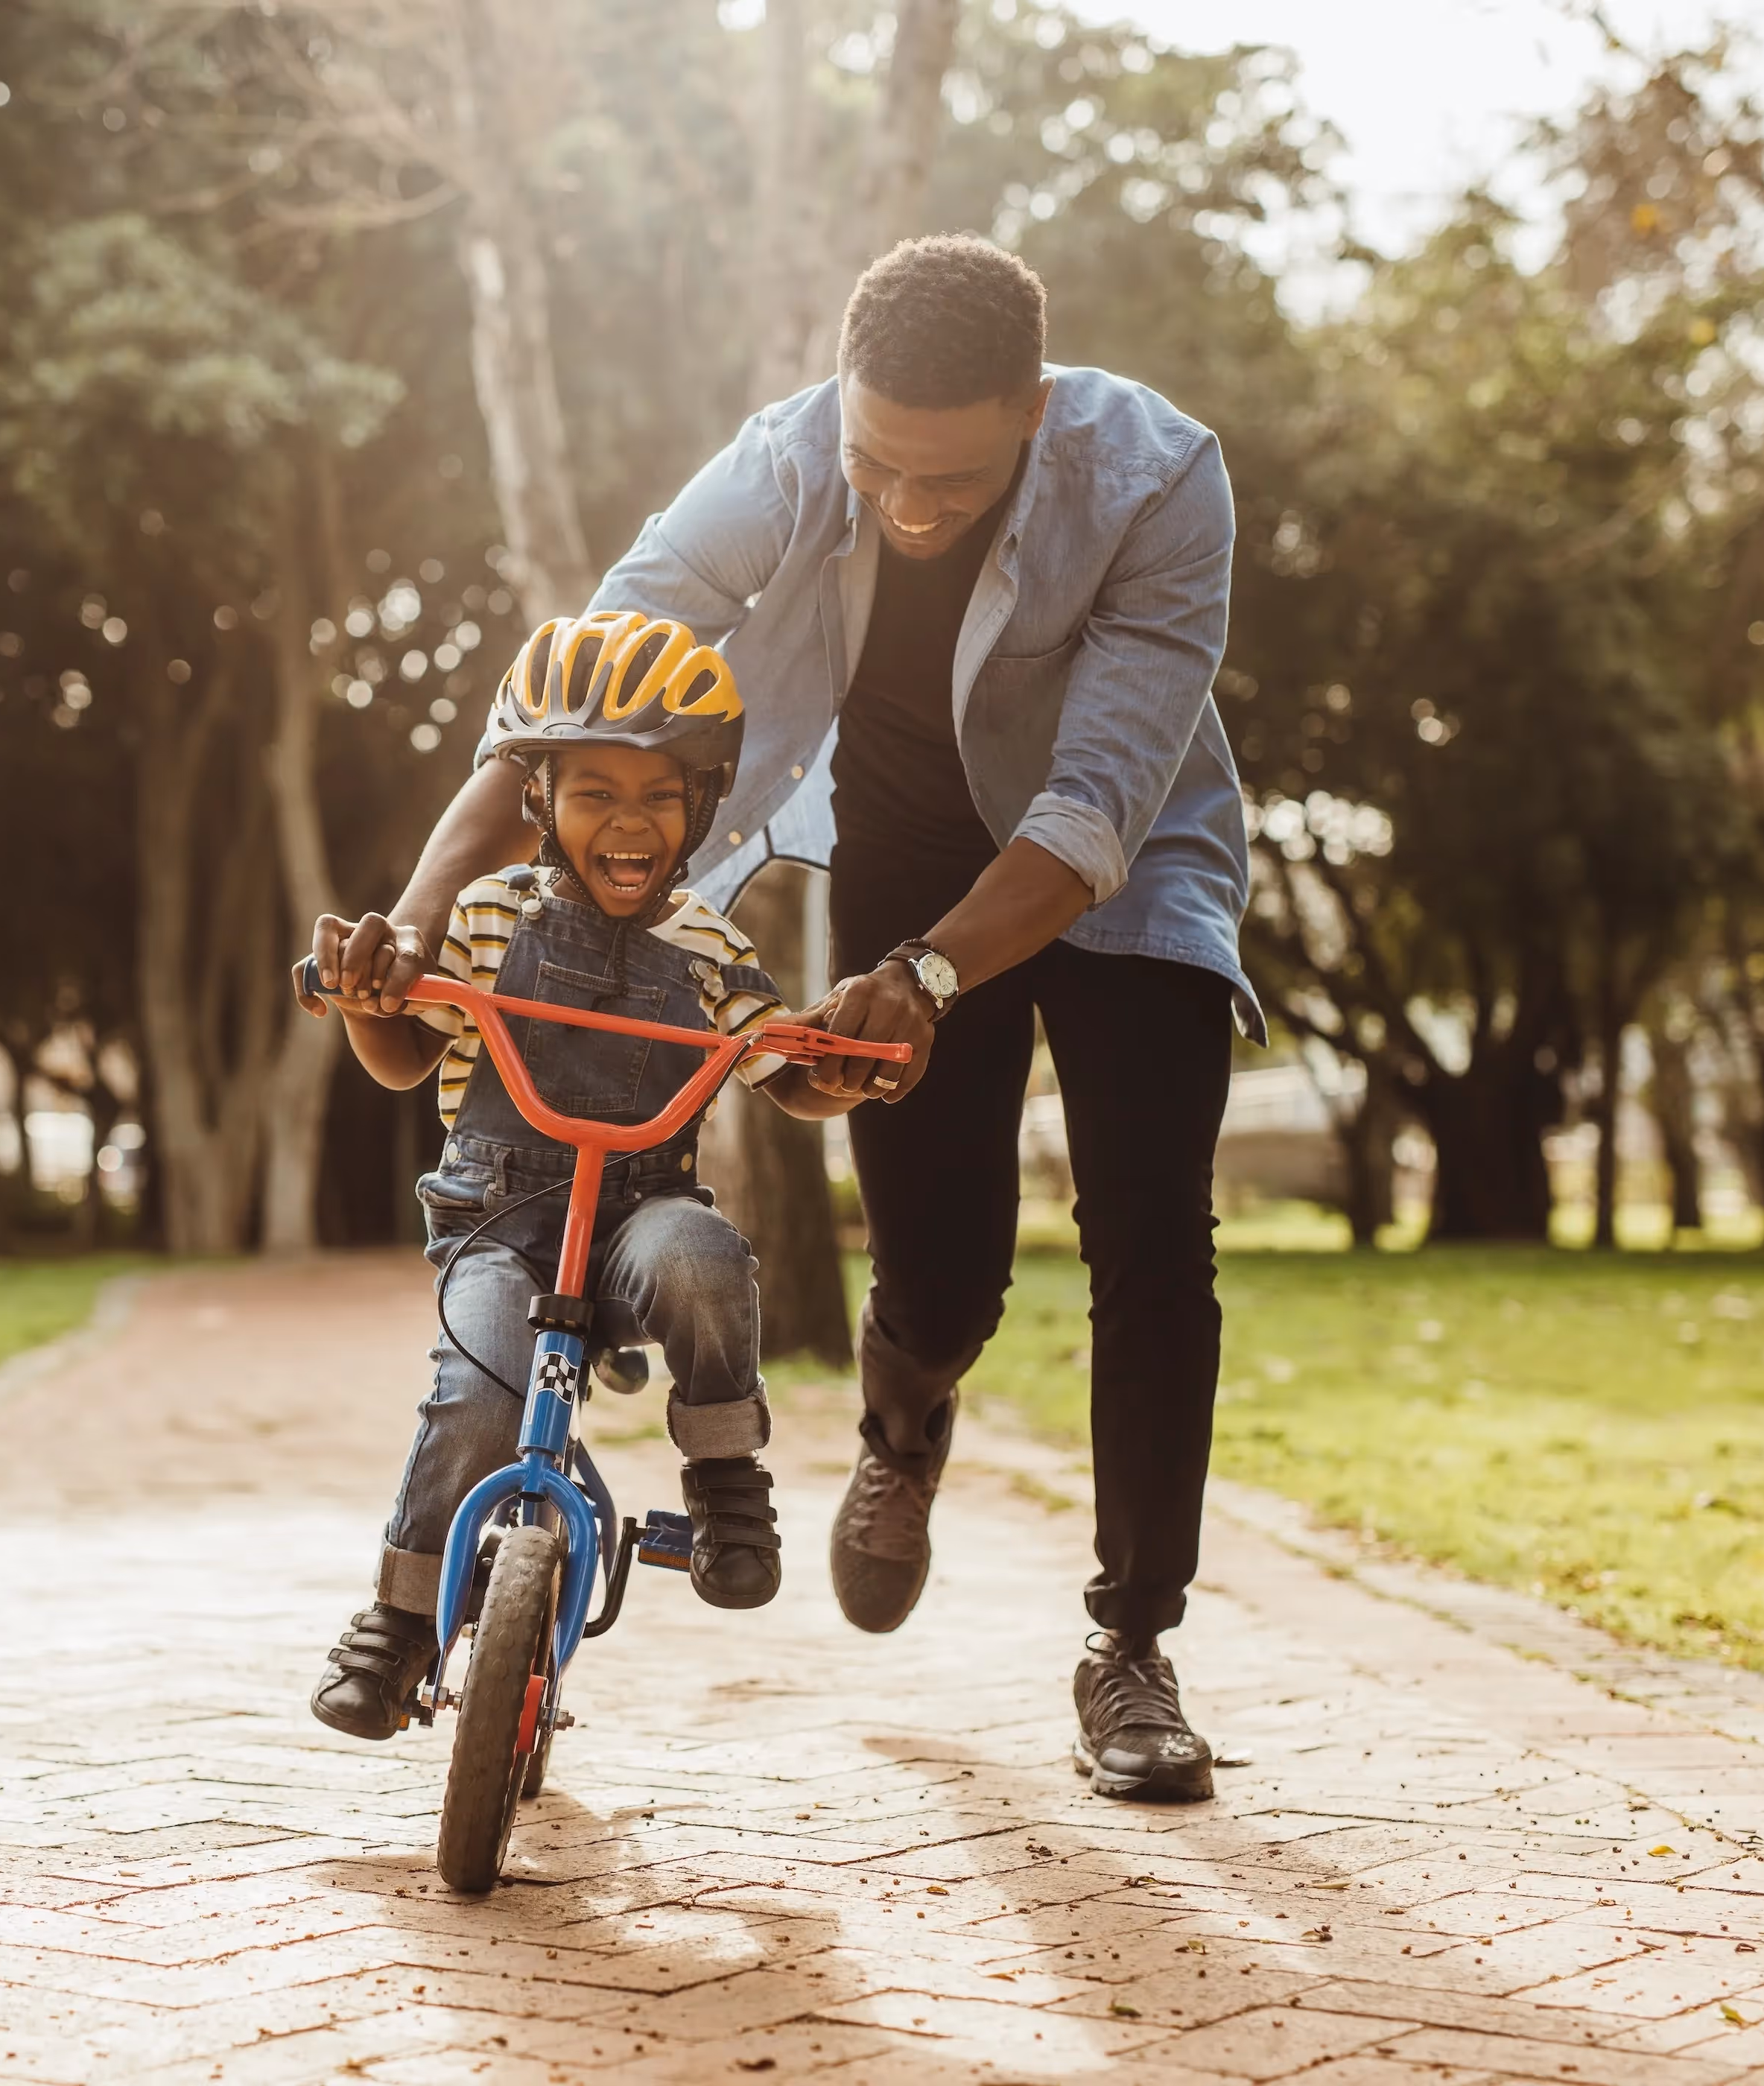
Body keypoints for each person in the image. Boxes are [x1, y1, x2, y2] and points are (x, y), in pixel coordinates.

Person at [327, 235, 1258, 1802]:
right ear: (842, 397)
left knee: (1153, 1230)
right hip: (906, 847)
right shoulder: (781, 459)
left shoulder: (1161, 479)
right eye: (879, 462)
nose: (907, 505)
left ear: (1033, 408)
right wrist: (420, 910)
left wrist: (937, 978)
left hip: (1125, 860)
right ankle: (906, 1423)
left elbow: (1097, 801)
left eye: (951, 481)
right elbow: (579, 695)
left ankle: (1132, 1645)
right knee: (944, 1268)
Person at [301, 611, 863, 1743]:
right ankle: (402, 1621)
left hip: (637, 1217)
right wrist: (369, 1003)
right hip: (498, 1223)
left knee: (703, 1262)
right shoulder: (483, 915)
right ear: (539, 801)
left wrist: (839, 1068)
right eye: (595, 791)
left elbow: (780, 1069)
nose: (629, 821)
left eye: (661, 796)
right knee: (479, 1392)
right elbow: (408, 1052)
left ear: (702, 806)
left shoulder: (709, 946)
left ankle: (723, 1481)